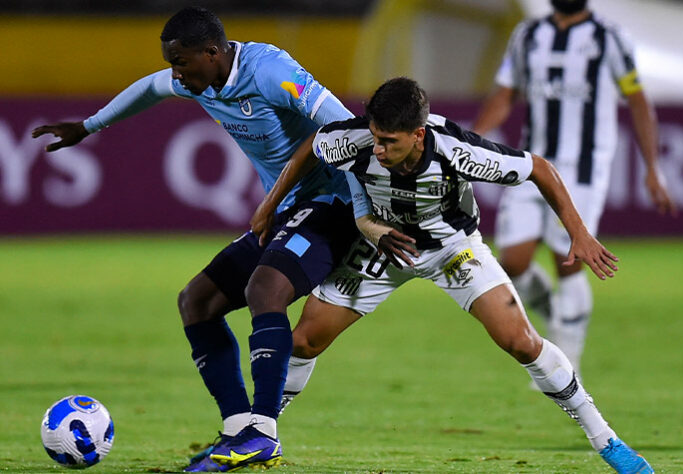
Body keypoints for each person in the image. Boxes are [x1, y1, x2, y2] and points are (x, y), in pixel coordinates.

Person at [252, 77, 654, 473]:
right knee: (304, 341)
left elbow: (539, 169)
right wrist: (270, 205)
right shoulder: (355, 141)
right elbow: (313, 144)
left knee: (520, 341)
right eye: (376, 136)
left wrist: (579, 233)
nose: (378, 148)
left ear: (419, 135)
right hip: (384, 247)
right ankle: (262, 431)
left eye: (390, 141)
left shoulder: (459, 151)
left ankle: (606, 440)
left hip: (452, 249)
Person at [31, 7, 361, 472]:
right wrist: (88, 126)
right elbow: (149, 88)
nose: (175, 74)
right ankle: (237, 429)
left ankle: (263, 434)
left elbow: (347, 128)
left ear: (213, 52)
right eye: (172, 63)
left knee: (265, 290)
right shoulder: (195, 78)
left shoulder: (270, 72)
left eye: (181, 62)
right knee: (197, 301)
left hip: (335, 205)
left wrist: (364, 211)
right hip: (290, 211)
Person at [472, 0, 676, 377]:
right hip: (531, 164)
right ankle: (558, 314)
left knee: (569, 262)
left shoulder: (609, 38)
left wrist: (653, 167)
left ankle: (567, 366)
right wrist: (474, 141)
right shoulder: (527, 35)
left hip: (582, 168)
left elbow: (637, 99)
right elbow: (504, 94)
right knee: (512, 263)